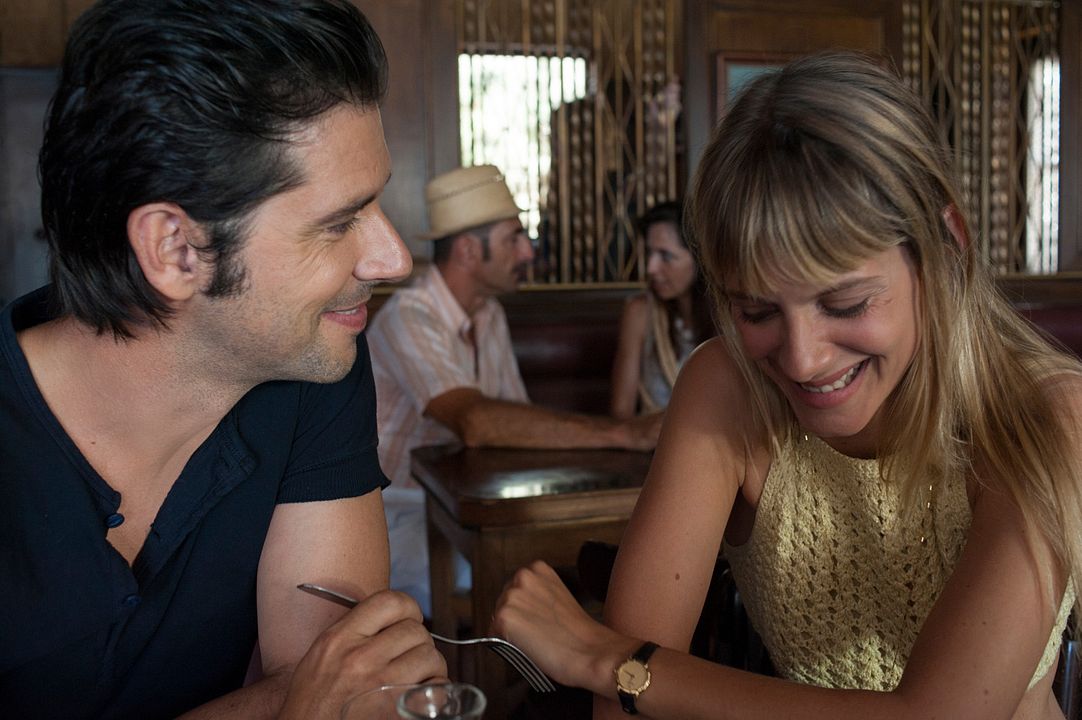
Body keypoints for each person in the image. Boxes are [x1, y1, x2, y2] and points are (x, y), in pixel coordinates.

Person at [491, 51, 1081, 719]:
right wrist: (623, 672)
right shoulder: (729, 389)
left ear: (946, 247)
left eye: (846, 303)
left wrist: (611, 662)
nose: (801, 360)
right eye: (757, 312)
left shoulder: (1046, 415)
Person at [1, 1, 447, 718]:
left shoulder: (313, 358)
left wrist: (307, 698)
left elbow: (343, 688)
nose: (393, 258)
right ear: (176, 249)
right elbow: (313, 697)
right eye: (339, 222)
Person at [366, 164, 662, 615]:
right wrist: (624, 433)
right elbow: (477, 421)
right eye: (513, 239)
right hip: (396, 513)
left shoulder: (489, 315)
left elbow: (512, 421)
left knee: (598, 559)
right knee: (524, 578)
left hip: (465, 510)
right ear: (468, 250)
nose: (527, 251)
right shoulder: (409, 317)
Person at [610, 200, 714, 418]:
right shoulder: (640, 312)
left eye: (666, 256)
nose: (651, 268)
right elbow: (620, 413)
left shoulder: (730, 317)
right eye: (650, 254)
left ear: (699, 259)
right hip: (653, 438)